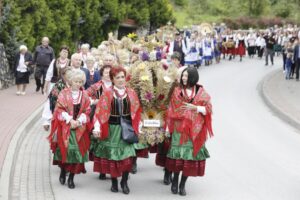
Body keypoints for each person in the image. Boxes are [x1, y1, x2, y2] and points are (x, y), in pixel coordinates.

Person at [92, 66, 142, 194]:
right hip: (112, 130)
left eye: (122, 77)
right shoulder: (107, 93)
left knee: (127, 157)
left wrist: (139, 127)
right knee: (113, 158)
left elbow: (136, 112)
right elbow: (99, 112)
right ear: (113, 79)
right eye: (117, 77)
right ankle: (114, 182)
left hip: (127, 129)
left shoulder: (131, 93)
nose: (120, 80)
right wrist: (97, 127)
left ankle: (124, 182)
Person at [165, 67, 213, 196]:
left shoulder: (201, 92)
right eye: (183, 76)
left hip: (194, 131)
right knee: (178, 156)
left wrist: (196, 108)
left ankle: (182, 184)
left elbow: (208, 109)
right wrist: (188, 112)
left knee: (189, 158)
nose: (184, 78)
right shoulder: (177, 91)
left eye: (186, 76)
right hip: (179, 129)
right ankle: (175, 180)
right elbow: (173, 110)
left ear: (193, 77)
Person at [48, 70, 91, 189]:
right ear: (71, 81)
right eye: (76, 81)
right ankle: (63, 170)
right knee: (65, 151)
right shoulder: (64, 93)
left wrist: (79, 120)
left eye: (81, 82)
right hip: (66, 127)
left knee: (77, 153)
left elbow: (87, 110)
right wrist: (70, 120)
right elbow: (59, 110)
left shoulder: (85, 95)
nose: (78, 84)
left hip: (79, 127)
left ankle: (71, 177)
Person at [86, 65, 112, 180]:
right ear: (102, 74)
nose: (108, 75)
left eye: (110, 73)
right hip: (99, 117)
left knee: (112, 142)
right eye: (106, 73)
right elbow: (85, 97)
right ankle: (102, 170)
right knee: (101, 143)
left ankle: (113, 168)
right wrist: (94, 101)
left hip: (113, 118)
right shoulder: (96, 86)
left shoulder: (117, 86)